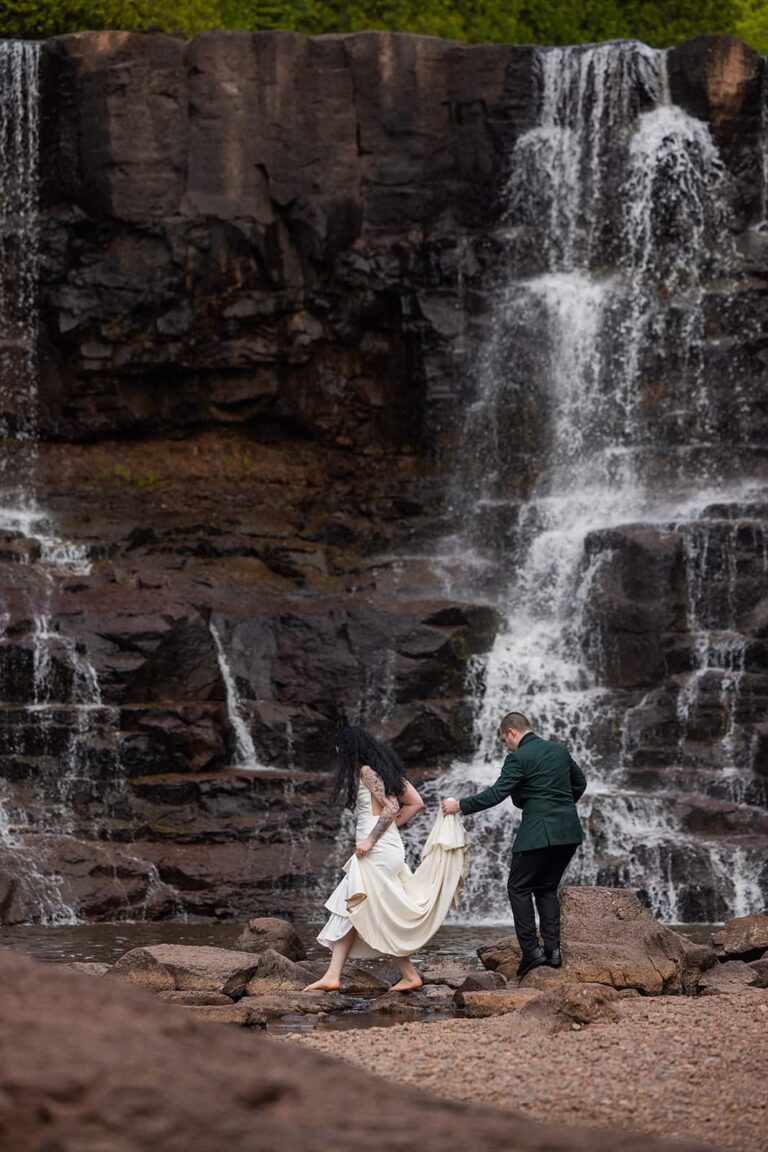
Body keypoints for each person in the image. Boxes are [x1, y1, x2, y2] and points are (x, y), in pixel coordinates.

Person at [306, 725, 470, 993]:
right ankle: (333, 975)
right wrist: (390, 830)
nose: (338, 753)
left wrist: (371, 839)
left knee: (366, 906)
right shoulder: (383, 770)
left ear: (350, 748)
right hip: (385, 846)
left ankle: (407, 974)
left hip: (377, 850)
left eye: (340, 747)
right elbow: (415, 802)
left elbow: (392, 807)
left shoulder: (367, 771)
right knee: (354, 906)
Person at [442, 711, 586, 978]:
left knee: (518, 887)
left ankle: (531, 952)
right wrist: (559, 808)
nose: (505, 745)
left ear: (511, 733)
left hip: (537, 833)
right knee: (546, 888)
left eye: (504, 740)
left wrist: (459, 805)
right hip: (568, 832)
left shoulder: (517, 757)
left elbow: (497, 794)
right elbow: (580, 783)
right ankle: (553, 952)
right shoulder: (559, 750)